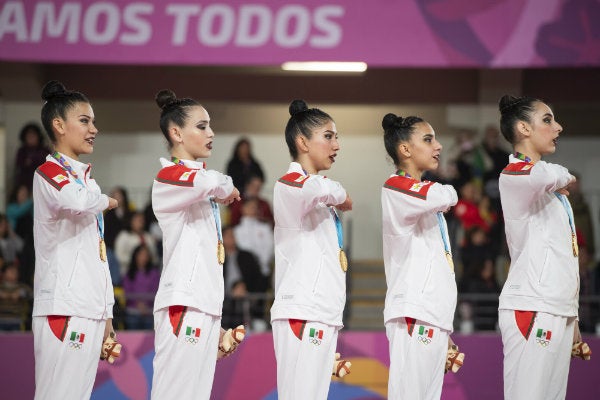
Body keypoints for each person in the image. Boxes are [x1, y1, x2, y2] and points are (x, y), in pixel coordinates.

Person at [150, 89, 242, 400]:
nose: (211, 133)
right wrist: (222, 185)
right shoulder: (169, 177)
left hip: (205, 304)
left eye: (210, 125)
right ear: (176, 133)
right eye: (201, 126)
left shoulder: (198, 184)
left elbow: (222, 184)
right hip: (183, 303)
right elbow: (213, 183)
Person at [497, 95, 590, 399]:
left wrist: (571, 315)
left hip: (556, 307)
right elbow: (551, 173)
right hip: (532, 304)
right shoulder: (515, 175)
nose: (558, 127)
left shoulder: (552, 192)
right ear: (523, 128)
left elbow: (563, 254)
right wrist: (563, 175)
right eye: (548, 120)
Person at [32, 80, 120, 400]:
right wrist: (107, 201)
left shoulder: (87, 179)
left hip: (90, 310)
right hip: (63, 307)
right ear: (59, 125)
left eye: (93, 121)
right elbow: (78, 202)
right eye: (84, 121)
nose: (93, 129)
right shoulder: (49, 171)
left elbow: (98, 254)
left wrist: (107, 316)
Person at [271, 99, 353, 399]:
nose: (337, 145)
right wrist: (337, 192)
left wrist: (335, 193)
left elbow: (331, 193)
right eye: (329, 136)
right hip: (302, 310)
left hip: (322, 311)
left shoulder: (318, 190)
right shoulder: (290, 184)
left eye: (336, 137)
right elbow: (319, 189)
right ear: (302, 142)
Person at [381, 113, 464, 399]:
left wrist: (442, 323)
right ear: (405, 149)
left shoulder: (419, 196)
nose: (438, 146)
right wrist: (449, 189)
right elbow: (447, 195)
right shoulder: (396, 186)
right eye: (428, 139)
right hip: (414, 312)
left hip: (430, 315)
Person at [221, 225, 269, 331]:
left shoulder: (247, 256)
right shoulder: (217, 258)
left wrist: (245, 288)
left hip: (247, 298)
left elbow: (259, 278)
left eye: (233, 235)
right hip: (224, 300)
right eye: (228, 236)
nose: (232, 238)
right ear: (222, 238)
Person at [122, 244, 160, 330]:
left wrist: (146, 306)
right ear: (135, 256)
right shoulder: (129, 273)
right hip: (132, 312)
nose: (143, 257)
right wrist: (138, 304)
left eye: (146, 255)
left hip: (149, 312)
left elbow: (156, 290)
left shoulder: (154, 273)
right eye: (141, 254)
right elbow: (127, 291)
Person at [114, 211, 158, 277]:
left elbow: (154, 256)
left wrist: (145, 261)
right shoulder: (123, 236)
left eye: (142, 220)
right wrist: (136, 260)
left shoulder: (148, 236)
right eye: (137, 220)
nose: (141, 222)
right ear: (131, 221)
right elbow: (119, 256)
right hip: (128, 272)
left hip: (147, 272)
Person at [14, 122, 50, 190]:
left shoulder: (45, 150)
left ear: (38, 137)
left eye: (33, 135)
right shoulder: (22, 151)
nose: (31, 138)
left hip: (43, 185)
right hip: (25, 186)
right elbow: (20, 167)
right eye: (28, 136)